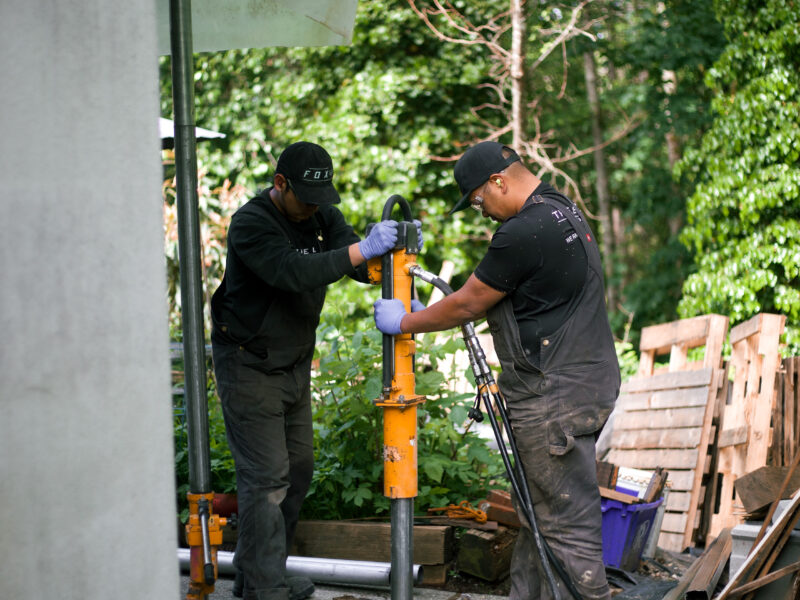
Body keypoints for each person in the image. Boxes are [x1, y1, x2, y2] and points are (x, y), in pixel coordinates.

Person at [374, 141, 620, 600]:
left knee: (565, 523)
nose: (482, 212)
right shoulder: (561, 208)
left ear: (498, 182)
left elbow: (469, 302)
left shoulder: (522, 231)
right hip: (583, 381)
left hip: (553, 396)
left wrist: (405, 321)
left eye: (478, 200)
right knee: (538, 514)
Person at [210, 141, 407, 600]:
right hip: (249, 363)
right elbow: (292, 272)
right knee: (267, 477)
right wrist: (360, 252)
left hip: (293, 363)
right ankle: (266, 588)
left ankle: (257, 574)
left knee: (298, 470)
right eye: (305, 197)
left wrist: (385, 261)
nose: (315, 207)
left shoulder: (320, 213)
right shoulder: (252, 223)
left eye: (321, 199)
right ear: (280, 184)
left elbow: (354, 261)